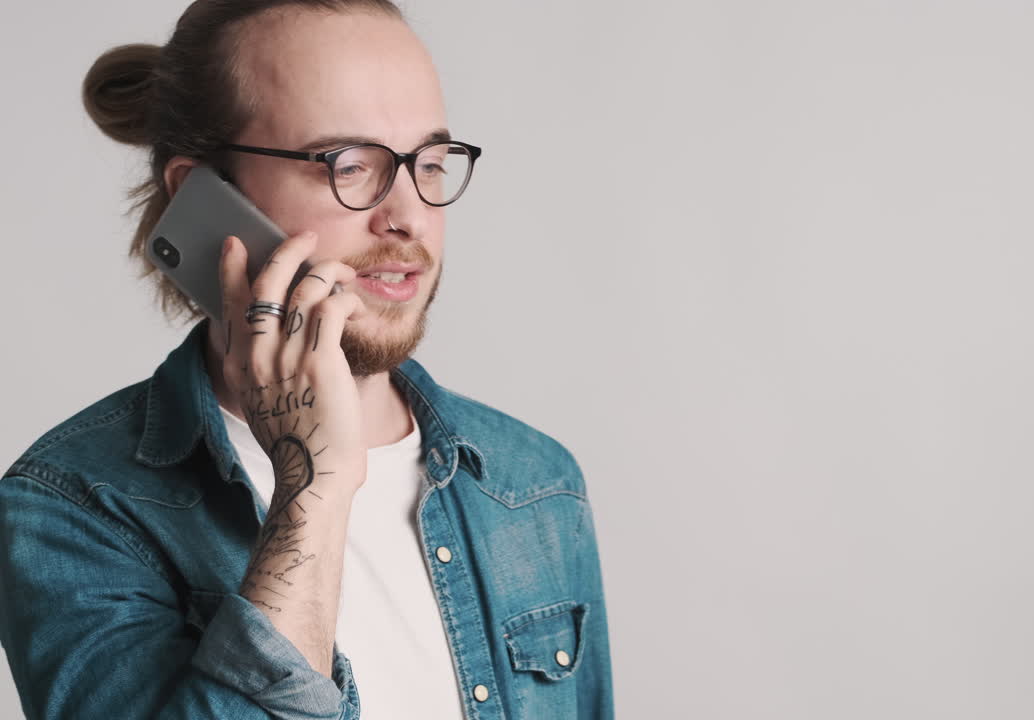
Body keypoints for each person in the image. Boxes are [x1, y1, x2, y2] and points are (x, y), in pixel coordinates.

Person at [0, 1, 613, 718]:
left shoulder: (534, 484)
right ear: (202, 195)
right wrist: (312, 491)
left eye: (431, 162)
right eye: (349, 165)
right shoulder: (74, 507)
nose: (408, 216)